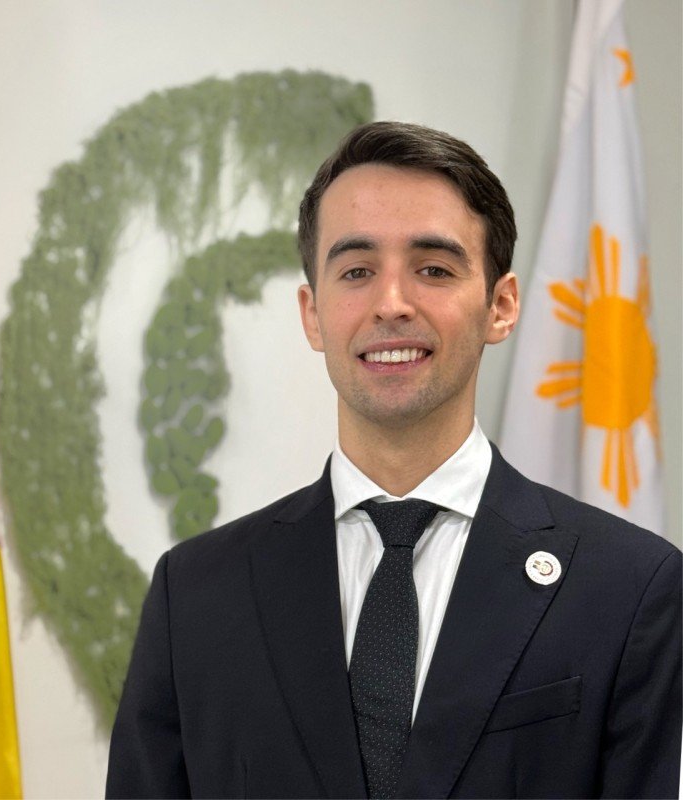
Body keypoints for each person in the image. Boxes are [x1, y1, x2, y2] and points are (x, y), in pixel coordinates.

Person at [106, 121, 681, 799]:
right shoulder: (195, 596)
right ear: (312, 313)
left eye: (433, 269)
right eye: (356, 271)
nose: (391, 304)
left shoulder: (630, 587)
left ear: (501, 307)